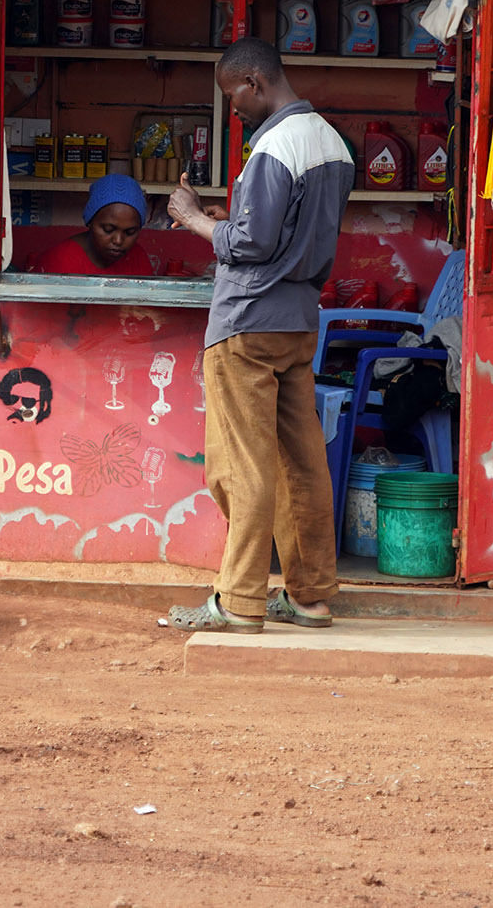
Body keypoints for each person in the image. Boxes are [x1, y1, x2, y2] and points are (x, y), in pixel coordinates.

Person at [164, 37, 354, 633]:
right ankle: (310, 596)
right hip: (297, 322)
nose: (235, 109)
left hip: (246, 324)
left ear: (254, 81)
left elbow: (252, 244)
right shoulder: (333, 144)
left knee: (239, 466)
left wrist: (193, 218)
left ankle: (238, 600)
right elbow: (287, 234)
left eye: (233, 96)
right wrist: (232, 222)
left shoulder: (275, 144)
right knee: (302, 463)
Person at [28, 173, 154, 276]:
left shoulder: (137, 257)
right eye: (108, 229)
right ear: (90, 222)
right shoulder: (59, 261)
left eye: (130, 232)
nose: (118, 240)